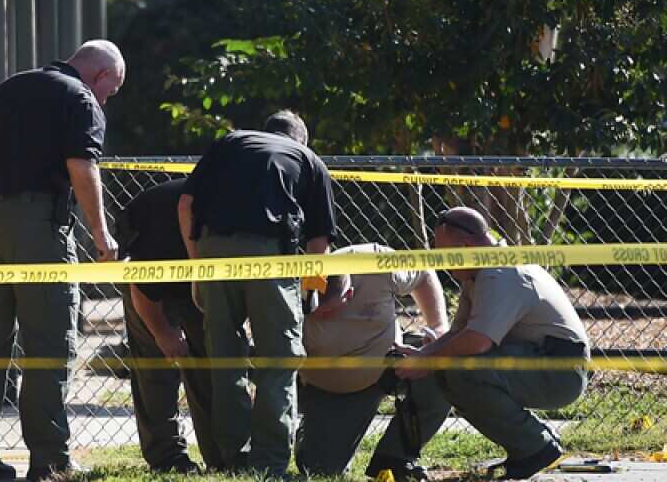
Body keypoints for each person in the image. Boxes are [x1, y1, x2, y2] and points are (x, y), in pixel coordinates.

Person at [0, 40, 125, 482]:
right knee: (48, 345)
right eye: (112, 89)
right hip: (37, 227)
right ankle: (49, 462)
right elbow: (82, 166)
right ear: (101, 74)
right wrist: (101, 234)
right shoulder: (82, 100)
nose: (108, 99)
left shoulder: (10, 87)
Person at [177, 110, 337, 476]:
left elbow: (186, 204)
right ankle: (269, 462)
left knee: (225, 357)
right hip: (270, 255)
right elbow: (319, 240)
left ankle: (234, 456)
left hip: (213, 250)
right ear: (300, 139)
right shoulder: (308, 159)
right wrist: (309, 292)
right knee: (279, 359)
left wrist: (197, 268)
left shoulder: (230, 142)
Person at [397, 207, 590, 480]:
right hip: (538, 361)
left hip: (561, 371)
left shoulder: (500, 272)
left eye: (442, 254)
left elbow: (476, 342)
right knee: (451, 366)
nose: (441, 263)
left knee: (462, 370)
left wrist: (428, 360)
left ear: (464, 247)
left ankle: (536, 447)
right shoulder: (480, 272)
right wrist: (424, 353)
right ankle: (526, 449)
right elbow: (461, 332)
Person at [296, 244, 451, 481]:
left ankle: (395, 458)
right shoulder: (293, 277)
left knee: (442, 367)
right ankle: (308, 435)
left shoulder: (376, 263)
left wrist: (439, 328)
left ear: (349, 293)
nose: (318, 316)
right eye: (312, 309)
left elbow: (423, 273)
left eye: (327, 312)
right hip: (326, 387)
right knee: (321, 470)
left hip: (387, 362)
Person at [117, 178, 224, 473]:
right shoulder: (162, 226)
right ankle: (167, 458)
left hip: (197, 279)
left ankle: (220, 456)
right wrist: (163, 332)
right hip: (150, 270)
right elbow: (142, 284)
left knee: (208, 363)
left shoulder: (239, 219)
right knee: (156, 364)